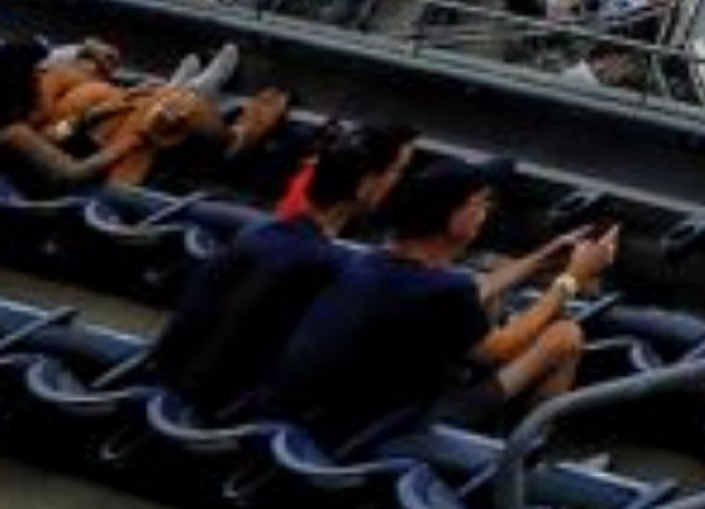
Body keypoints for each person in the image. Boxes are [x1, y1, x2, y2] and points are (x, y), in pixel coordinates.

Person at [251, 156, 613, 452]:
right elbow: (502, 349)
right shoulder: (443, 290)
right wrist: (572, 279)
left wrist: (543, 258)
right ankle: (525, 460)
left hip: (324, 413)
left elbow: (473, 290)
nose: (485, 211)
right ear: (453, 217)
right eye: (480, 203)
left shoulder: (374, 261)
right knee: (564, 335)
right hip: (390, 425)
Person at [140, 123, 401, 415]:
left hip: (172, 393)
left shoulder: (258, 234)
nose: (396, 182)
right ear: (365, 184)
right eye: (393, 172)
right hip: (220, 416)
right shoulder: (326, 265)